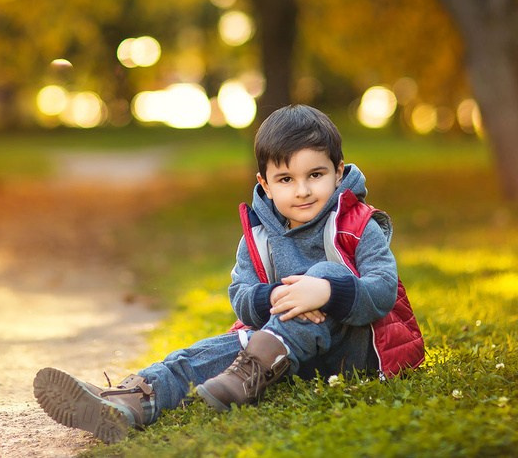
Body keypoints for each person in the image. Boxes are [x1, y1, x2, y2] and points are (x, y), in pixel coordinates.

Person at [33, 104, 423, 444]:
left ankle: (248, 370)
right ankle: (130, 401)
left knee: (318, 275)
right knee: (205, 353)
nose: (302, 190)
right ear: (265, 185)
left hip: (354, 352)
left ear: (338, 172)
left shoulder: (359, 224)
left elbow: (382, 292)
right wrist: (272, 298)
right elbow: (240, 295)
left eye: (315, 175)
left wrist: (324, 290)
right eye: (286, 179)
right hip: (273, 360)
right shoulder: (258, 238)